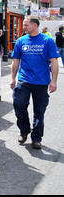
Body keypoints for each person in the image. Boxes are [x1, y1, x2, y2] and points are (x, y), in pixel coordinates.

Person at [11, 16, 59, 149]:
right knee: (18, 104)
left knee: (39, 111)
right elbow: (15, 61)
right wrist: (12, 78)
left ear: (34, 25)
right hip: (24, 80)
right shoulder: (21, 41)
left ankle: (36, 138)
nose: (24, 27)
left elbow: (54, 62)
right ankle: (24, 130)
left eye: (26, 25)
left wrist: (54, 81)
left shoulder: (47, 41)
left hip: (41, 82)